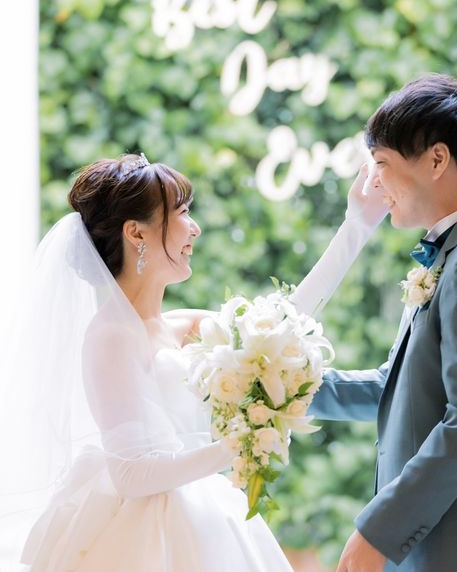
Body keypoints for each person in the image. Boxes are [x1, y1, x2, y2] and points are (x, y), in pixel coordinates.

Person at [0, 152, 386, 571]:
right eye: (182, 213)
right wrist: (239, 446)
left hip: (206, 513)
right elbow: (130, 474)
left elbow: (281, 324)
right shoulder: (110, 335)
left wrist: (357, 225)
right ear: (136, 232)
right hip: (150, 535)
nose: (195, 228)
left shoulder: (181, 325)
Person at [293, 74, 457, 572]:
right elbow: (400, 388)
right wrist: (287, 386)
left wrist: (378, 532)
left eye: (382, 164)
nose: (374, 184)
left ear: (436, 159)